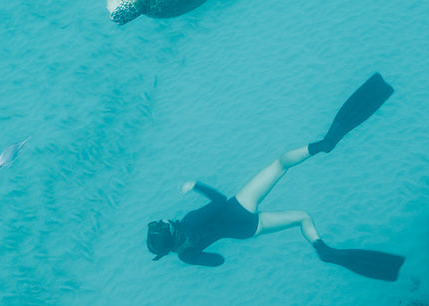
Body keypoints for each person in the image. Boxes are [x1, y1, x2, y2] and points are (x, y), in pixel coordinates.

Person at [146, 73, 405, 281]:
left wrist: (197, 249)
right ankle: (324, 144)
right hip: (239, 207)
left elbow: (217, 261)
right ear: (170, 229)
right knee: (281, 164)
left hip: (246, 230)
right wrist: (195, 185)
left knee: (302, 217)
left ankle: (323, 249)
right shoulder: (189, 221)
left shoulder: (186, 256)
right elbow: (220, 201)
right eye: (163, 224)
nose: (165, 219)